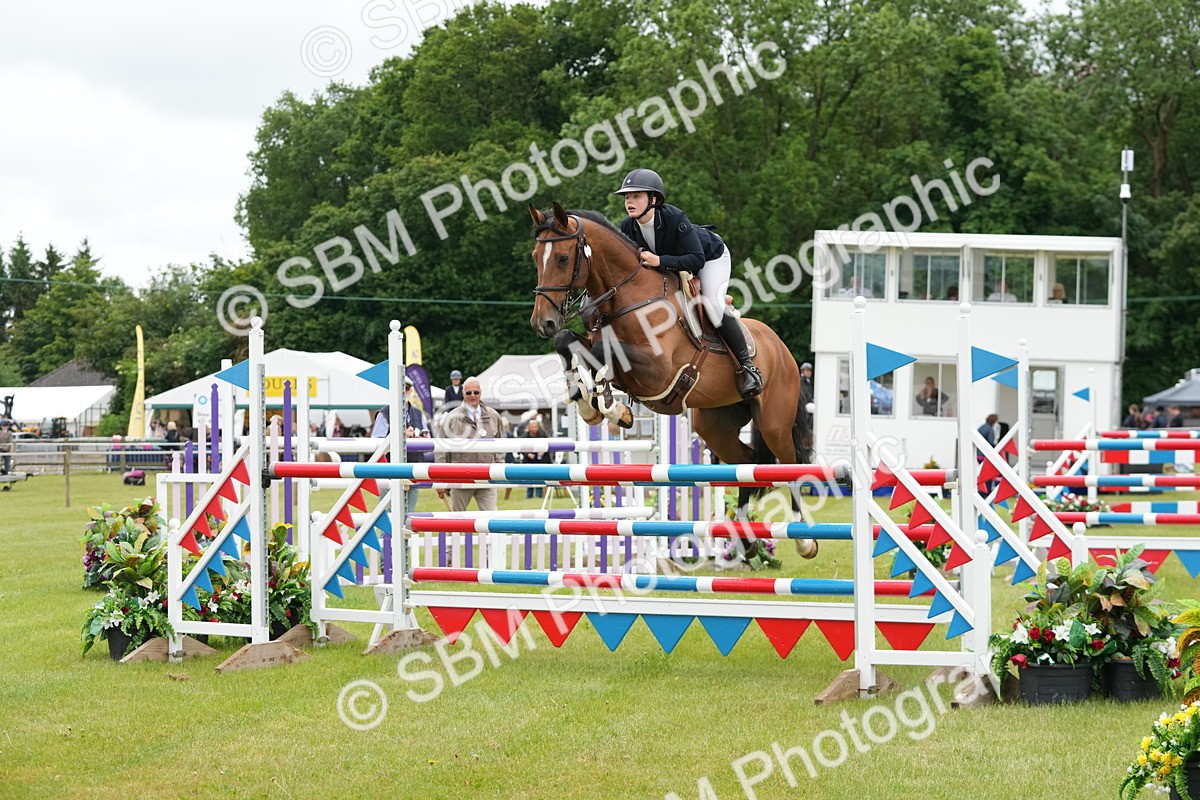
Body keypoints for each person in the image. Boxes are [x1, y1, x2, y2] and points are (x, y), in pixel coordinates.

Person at [614, 168, 763, 399]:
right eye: (627, 197)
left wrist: (660, 260)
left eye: (636, 196)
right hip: (674, 267)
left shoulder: (674, 218)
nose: (629, 202)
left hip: (710, 257)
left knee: (712, 305)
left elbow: (696, 258)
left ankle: (747, 366)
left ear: (653, 199)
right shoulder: (627, 226)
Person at [435, 377, 508, 512]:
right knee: (457, 521)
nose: (472, 396)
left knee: (491, 519)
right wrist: (441, 478)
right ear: (463, 394)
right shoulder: (452, 417)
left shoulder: (494, 416)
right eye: (469, 393)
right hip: (460, 477)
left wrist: (498, 466)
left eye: (476, 392)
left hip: (488, 476)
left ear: (481, 393)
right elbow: (441, 450)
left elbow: (502, 442)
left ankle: (490, 535)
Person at [373, 376, 430, 515]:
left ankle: (404, 538)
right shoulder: (384, 413)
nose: (403, 391)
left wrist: (420, 438)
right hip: (389, 471)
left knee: (408, 516)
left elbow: (428, 443)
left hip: (413, 469)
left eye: (406, 388)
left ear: (410, 391)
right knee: (387, 514)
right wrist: (401, 435)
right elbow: (376, 443)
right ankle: (386, 537)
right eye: (400, 388)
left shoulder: (418, 414)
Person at [520, 417, 550, 499]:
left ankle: (539, 495)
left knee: (539, 476)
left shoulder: (542, 434)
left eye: (536, 427)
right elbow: (520, 448)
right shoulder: (524, 436)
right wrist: (527, 454)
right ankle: (529, 495)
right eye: (532, 427)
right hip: (529, 460)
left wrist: (543, 451)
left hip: (541, 459)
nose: (534, 429)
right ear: (529, 428)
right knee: (529, 477)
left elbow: (548, 445)